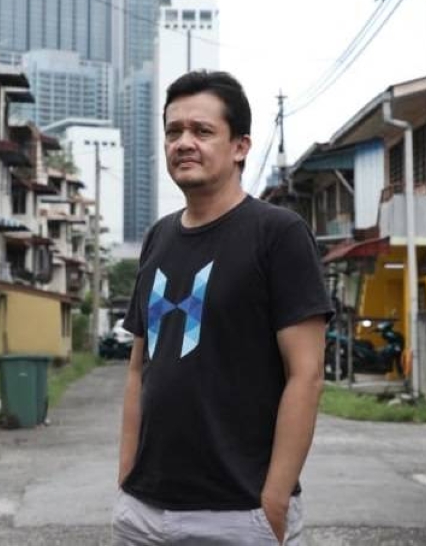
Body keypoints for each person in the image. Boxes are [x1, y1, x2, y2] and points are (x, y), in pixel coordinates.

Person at [113, 71, 333, 545]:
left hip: (239, 514)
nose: (183, 143)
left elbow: (307, 375)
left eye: (202, 131)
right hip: (144, 514)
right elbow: (138, 368)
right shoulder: (158, 237)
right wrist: (126, 478)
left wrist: (271, 504)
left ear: (240, 146)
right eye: (174, 132)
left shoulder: (278, 234)